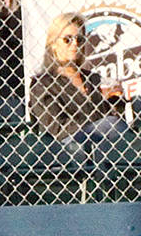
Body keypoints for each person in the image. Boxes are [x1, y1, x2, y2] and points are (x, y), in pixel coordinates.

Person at [29, 13, 127, 149]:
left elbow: (110, 117)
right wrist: (97, 119)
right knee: (112, 125)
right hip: (67, 146)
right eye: (67, 39)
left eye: (79, 39)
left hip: (103, 142)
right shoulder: (42, 84)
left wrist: (115, 103)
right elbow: (58, 128)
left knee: (121, 127)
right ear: (53, 45)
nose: (75, 44)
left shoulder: (92, 78)